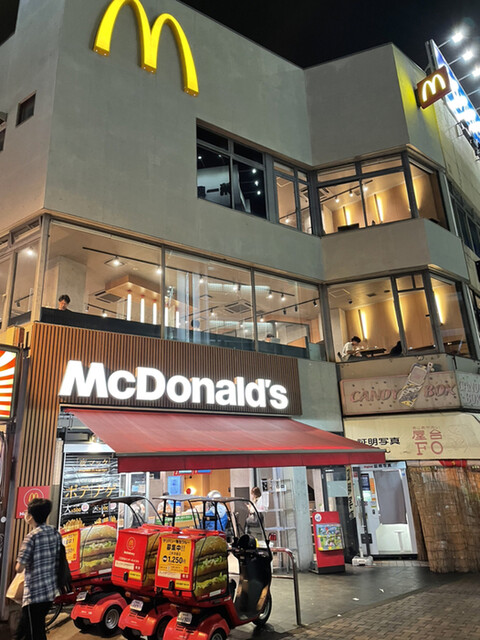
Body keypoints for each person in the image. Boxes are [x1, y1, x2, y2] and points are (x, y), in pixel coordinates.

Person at [15, 498, 62, 640]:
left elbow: (19, 568)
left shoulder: (31, 537)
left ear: (30, 516)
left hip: (34, 595)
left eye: (26, 512)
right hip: (49, 592)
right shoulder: (54, 532)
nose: (24, 514)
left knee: (35, 633)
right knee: (31, 629)